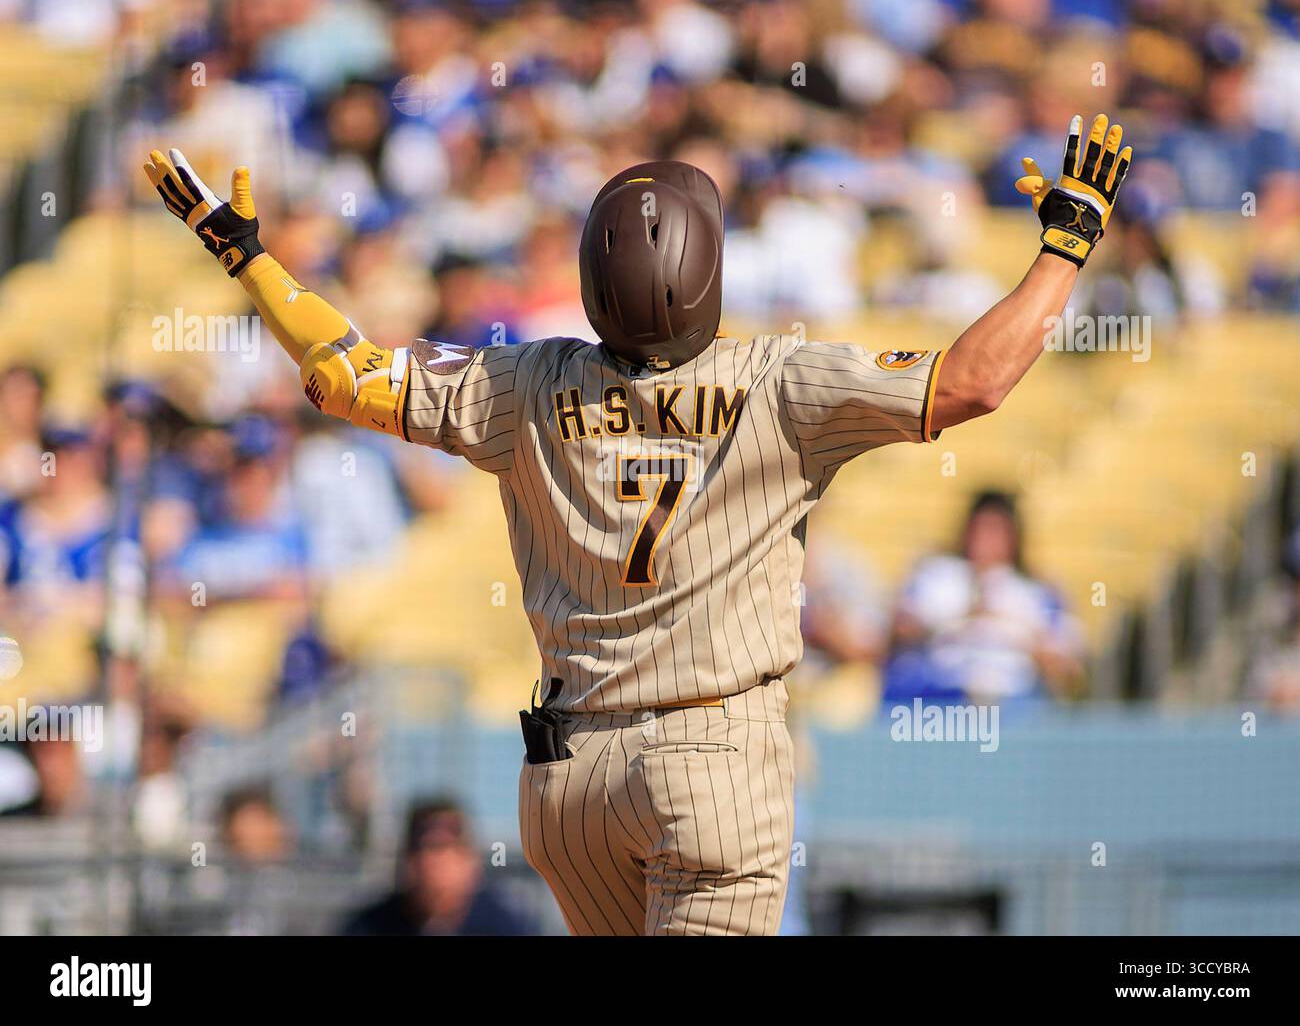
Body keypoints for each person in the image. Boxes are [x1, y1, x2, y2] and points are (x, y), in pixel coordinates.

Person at [142, 111, 1132, 935]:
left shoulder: (523, 382)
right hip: (711, 760)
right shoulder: (777, 382)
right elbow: (973, 381)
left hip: (566, 779)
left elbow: (347, 375)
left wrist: (248, 258)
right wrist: (1064, 245)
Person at [884, 490, 1083, 705]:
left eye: (996, 531)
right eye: (980, 529)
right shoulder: (935, 574)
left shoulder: (1035, 590)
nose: (986, 541)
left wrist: (1008, 628)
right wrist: (953, 620)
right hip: (938, 695)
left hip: (1013, 700)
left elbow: (1067, 666)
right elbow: (897, 631)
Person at [340, 797, 537, 937]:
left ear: (470, 861)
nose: (431, 862)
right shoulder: (370, 926)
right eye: (419, 848)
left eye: (442, 847)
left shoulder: (506, 925)